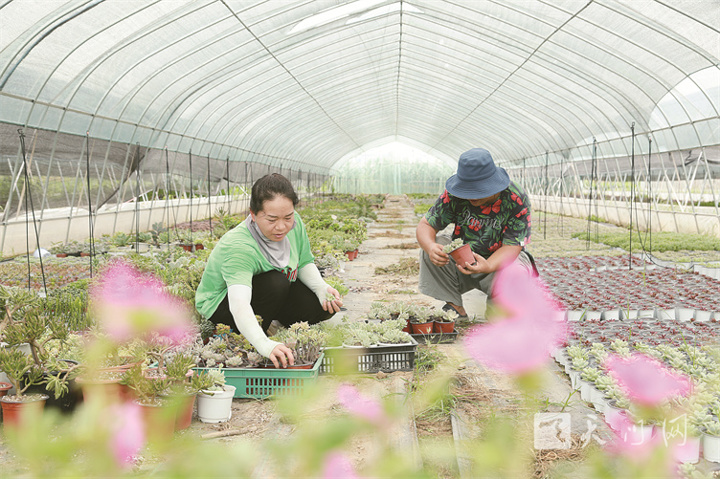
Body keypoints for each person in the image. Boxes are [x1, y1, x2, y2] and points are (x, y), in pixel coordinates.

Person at [195, 173, 343, 368]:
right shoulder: (239, 245)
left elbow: (305, 262)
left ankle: (269, 324)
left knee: (320, 306)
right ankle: (253, 334)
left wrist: (321, 288)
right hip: (223, 304)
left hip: (267, 293)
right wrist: (264, 345)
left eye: (287, 217)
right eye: (272, 219)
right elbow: (239, 304)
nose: (281, 226)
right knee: (276, 281)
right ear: (253, 214)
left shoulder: (294, 224)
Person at [416, 148, 535, 319]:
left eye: (478, 190)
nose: (471, 196)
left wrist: (488, 265)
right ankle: (454, 307)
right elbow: (425, 225)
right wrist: (430, 247)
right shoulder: (454, 195)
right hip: (461, 260)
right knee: (435, 244)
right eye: (467, 189)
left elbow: (513, 245)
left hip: (499, 264)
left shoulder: (515, 197)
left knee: (517, 273)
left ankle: (499, 308)